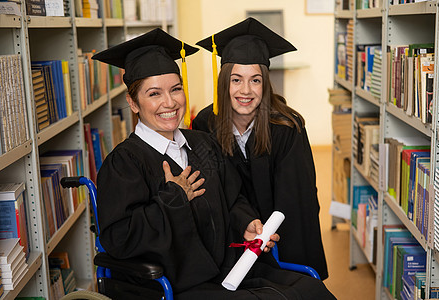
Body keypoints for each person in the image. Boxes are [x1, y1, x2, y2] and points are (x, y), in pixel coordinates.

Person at [92, 28, 336, 299]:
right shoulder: (124, 163)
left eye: (175, 89)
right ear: (133, 102)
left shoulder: (201, 144)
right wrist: (173, 198)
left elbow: (232, 199)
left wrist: (247, 223)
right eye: (154, 94)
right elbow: (118, 238)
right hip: (180, 284)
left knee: (313, 291)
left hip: (230, 270)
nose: (169, 102)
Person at [192, 17, 329, 280]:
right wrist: (241, 223)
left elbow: (297, 201)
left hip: (279, 243)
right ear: (223, 82)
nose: (246, 90)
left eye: (255, 80)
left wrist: (269, 238)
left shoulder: (287, 127)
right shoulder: (205, 124)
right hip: (231, 240)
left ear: (265, 82)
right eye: (236, 80)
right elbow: (213, 191)